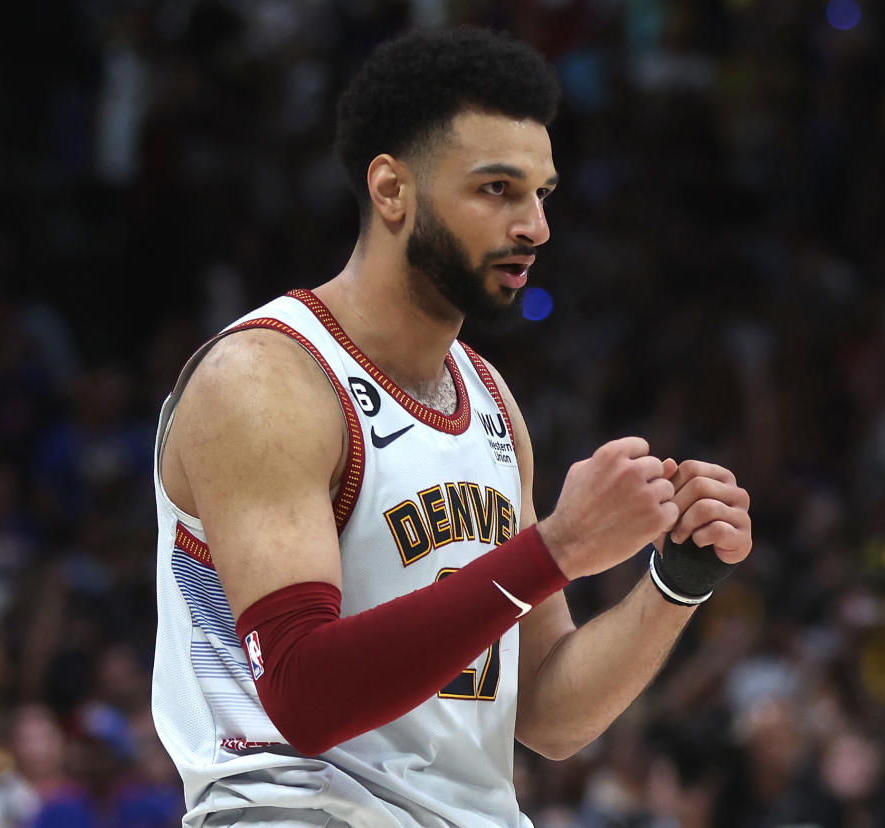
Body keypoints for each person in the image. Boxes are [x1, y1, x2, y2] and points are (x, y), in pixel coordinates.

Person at [151, 26, 753, 827]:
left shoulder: (490, 399)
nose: (534, 226)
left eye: (543, 194)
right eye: (497, 189)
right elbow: (303, 697)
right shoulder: (267, 380)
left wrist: (676, 584)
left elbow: (545, 714)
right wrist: (556, 551)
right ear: (392, 190)